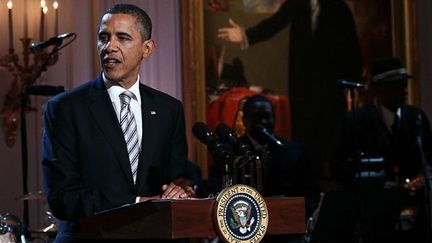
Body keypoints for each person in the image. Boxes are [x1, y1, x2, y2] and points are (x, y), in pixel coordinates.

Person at [42, 4, 195, 242]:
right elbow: (63, 198)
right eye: (104, 37)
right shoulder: (65, 109)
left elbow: (177, 178)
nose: (109, 47)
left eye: (122, 38)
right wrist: (134, 203)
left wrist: (182, 190)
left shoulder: (169, 109)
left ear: (147, 48)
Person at [217, 0, 363, 186]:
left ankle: (333, 184)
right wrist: (246, 35)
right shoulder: (297, 4)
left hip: (330, 90)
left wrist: (352, 86)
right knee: (306, 139)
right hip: (303, 90)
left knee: (332, 139)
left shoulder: (338, 8)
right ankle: (310, 183)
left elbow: (352, 49)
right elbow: (274, 24)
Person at [324, 57, 432, 242]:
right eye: (397, 86)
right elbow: (338, 167)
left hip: (414, 213)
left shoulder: (416, 118)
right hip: (374, 216)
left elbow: (429, 158)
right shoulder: (356, 122)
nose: (404, 91)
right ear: (380, 90)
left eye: (404, 84)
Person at [208, 95, 320, 242]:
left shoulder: (293, 152)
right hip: (242, 233)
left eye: (267, 116)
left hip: (286, 233)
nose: (263, 122)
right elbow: (215, 190)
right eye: (256, 117)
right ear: (245, 120)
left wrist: (300, 218)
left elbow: (310, 192)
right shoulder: (229, 154)